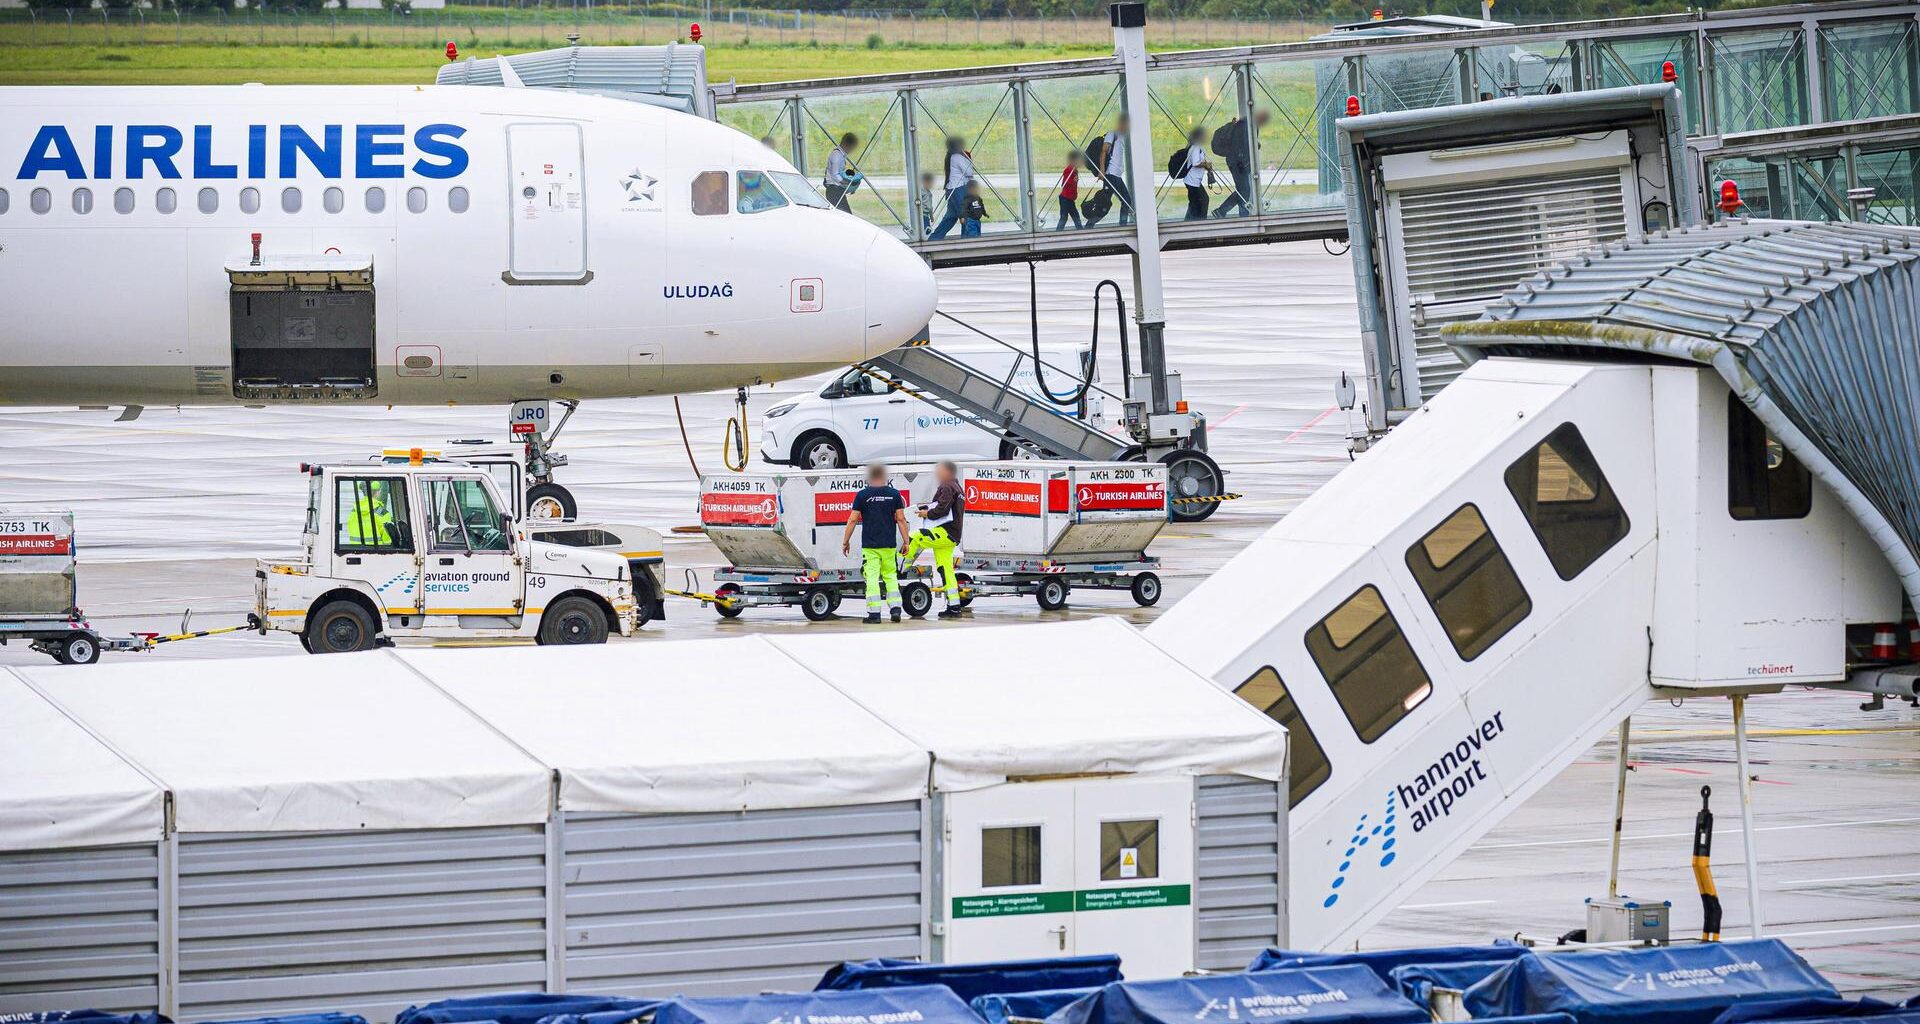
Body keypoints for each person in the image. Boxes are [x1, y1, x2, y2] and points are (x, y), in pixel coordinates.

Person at [842, 463, 911, 623]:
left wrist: (845, 541)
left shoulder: (863, 495)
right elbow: (901, 519)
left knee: (872, 578)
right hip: (889, 545)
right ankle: (895, 609)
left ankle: (874, 614)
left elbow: (853, 519)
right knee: (890, 576)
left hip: (870, 546)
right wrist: (906, 541)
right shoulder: (894, 494)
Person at [905, 460, 966, 618]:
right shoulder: (958, 488)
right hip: (952, 535)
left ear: (947, 472)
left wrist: (927, 514)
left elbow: (942, 508)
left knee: (916, 536)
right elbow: (942, 506)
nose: (937, 473)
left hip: (945, 532)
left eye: (939, 470)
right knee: (946, 570)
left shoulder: (947, 486)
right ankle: (954, 607)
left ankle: (900, 566)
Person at [1211, 109, 1267, 219]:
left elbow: (1246, 142)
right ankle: (1232, 213)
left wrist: (1255, 145)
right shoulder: (1246, 126)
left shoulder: (1248, 125)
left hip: (1238, 162)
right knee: (1244, 190)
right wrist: (1243, 161)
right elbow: (1240, 144)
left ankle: (1225, 211)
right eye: (1263, 119)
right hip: (1238, 163)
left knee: (1243, 189)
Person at [928, 135, 977, 240]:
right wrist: (968, 159)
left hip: (951, 189)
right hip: (958, 189)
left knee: (951, 217)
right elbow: (969, 172)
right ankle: (967, 240)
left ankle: (934, 239)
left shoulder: (950, 156)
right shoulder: (958, 157)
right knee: (966, 214)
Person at [1096, 113, 1134, 226]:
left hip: (1117, 175)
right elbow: (1103, 152)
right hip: (1110, 174)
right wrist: (1102, 171)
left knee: (1126, 200)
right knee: (1104, 204)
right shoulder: (1112, 134)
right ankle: (1090, 224)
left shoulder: (1121, 136)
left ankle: (1122, 225)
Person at [1179, 126, 1213, 221]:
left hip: (1194, 180)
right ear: (1200, 136)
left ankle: (1188, 222)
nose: (1206, 137)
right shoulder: (1195, 147)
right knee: (1203, 200)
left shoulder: (1198, 147)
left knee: (1194, 203)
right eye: (1204, 135)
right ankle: (1201, 222)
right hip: (1192, 181)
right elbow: (1195, 163)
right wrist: (1206, 164)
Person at [822, 132, 860, 212]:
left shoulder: (840, 155)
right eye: (853, 147)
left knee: (845, 215)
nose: (852, 150)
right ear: (847, 144)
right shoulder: (837, 155)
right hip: (834, 191)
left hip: (837, 190)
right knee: (846, 216)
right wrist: (847, 183)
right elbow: (835, 175)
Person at [1055, 150, 1083, 230]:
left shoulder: (1075, 171)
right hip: (1065, 198)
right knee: (1064, 217)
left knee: (1075, 216)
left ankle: (1080, 230)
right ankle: (1058, 232)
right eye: (1079, 161)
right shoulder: (1068, 170)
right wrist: (1073, 180)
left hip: (1070, 199)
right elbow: (1064, 183)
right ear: (1073, 161)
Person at [917, 171, 936, 237]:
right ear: (924, 182)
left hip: (926, 216)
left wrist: (931, 216)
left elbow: (930, 207)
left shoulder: (929, 193)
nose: (931, 185)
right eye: (930, 183)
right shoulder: (921, 192)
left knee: (928, 230)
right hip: (922, 215)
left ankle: (927, 238)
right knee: (926, 231)